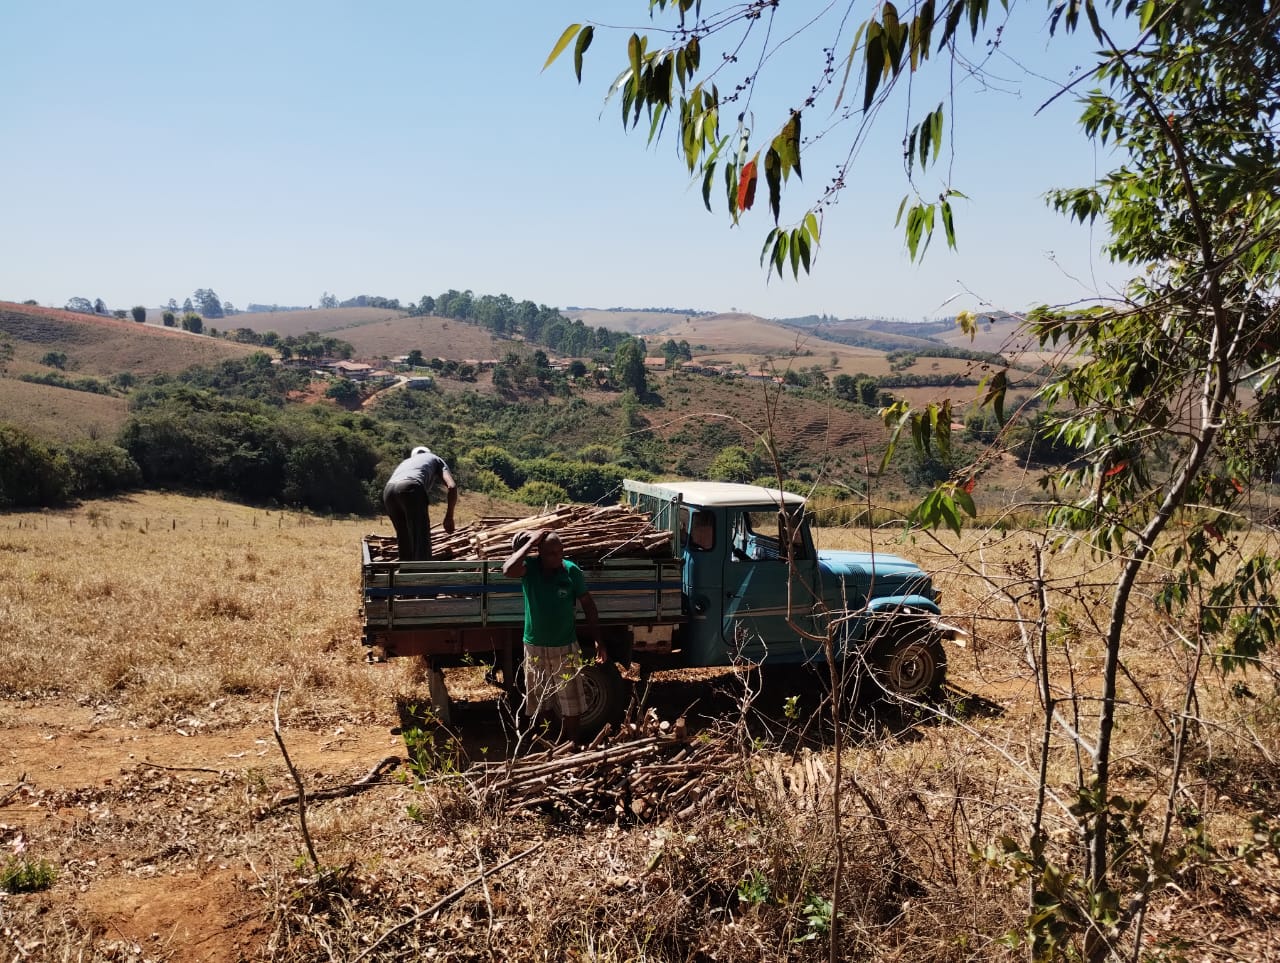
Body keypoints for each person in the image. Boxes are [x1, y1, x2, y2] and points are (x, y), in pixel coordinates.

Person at [502, 529, 603, 743]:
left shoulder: (571, 571)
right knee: (541, 700)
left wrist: (598, 640)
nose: (557, 557)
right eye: (551, 553)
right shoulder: (529, 569)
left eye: (560, 552)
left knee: (571, 702)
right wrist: (531, 542)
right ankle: (551, 743)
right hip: (534, 647)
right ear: (539, 552)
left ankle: (572, 744)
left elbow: (588, 605)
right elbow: (507, 569)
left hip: (564, 646)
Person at [382, 445, 458, 561]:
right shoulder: (435, 459)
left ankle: (405, 574)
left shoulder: (406, 462)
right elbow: (452, 487)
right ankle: (422, 575)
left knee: (404, 539)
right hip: (411, 487)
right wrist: (449, 517)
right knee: (421, 541)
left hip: (388, 492)